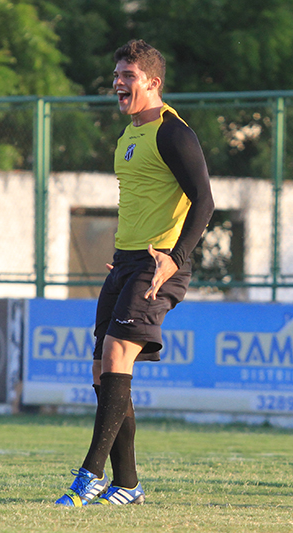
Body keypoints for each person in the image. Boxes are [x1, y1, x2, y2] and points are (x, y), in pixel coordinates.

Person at [55, 40, 214, 507]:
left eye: (128, 76)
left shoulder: (172, 132)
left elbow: (204, 201)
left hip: (159, 261)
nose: (118, 84)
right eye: (117, 76)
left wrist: (174, 258)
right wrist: (123, 254)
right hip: (127, 261)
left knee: (117, 353)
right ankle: (128, 484)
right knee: (102, 372)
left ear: (153, 82)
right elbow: (141, 199)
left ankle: (89, 475)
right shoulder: (128, 135)